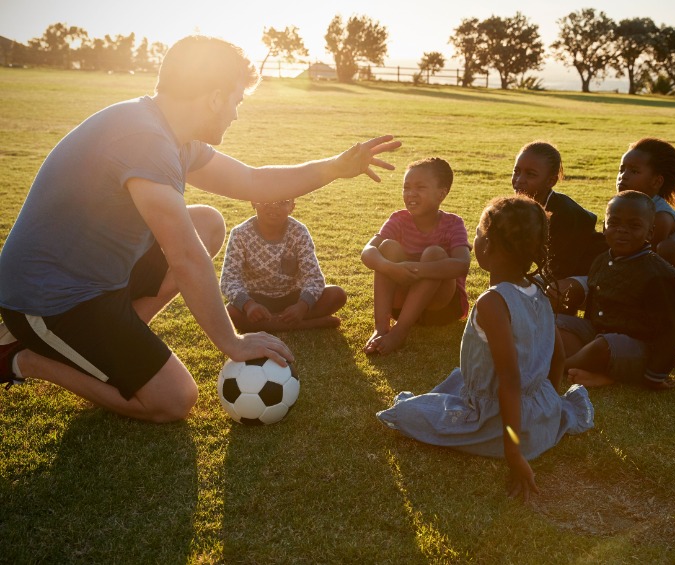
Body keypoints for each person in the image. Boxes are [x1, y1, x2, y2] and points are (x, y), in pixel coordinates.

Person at [0, 35, 400, 421]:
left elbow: (253, 181)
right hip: (48, 300)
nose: (236, 113)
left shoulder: (172, 134)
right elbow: (185, 257)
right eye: (236, 100)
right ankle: (24, 358)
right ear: (213, 97)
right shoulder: (145, 139)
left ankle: (119, 337)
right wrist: (232, 341)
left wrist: (335, 168)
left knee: (207, 222)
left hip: (96, 278)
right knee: (174, 399)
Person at [376, 195, 594, 501]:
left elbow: (509, 380)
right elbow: (556, 357)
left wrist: (514, 454)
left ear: (487, 246)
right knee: (458, 379)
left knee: (408, 413)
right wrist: (550, 404)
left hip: (503, 425)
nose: (472, 242)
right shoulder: (540, 291)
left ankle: (481, 429)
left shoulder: (493, 302)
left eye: (477, 235)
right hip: (542, 416)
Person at [557, 191, 675, 389]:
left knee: (602, 346)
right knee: (555, 323)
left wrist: (655, 376)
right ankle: (594, 370)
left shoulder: (659, 274)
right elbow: (593, 306)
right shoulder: (600, 260)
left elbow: (669, 332)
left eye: (634, 226)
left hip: (637, 349)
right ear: (604, 227)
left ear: (650, 232)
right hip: (598, 333)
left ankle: (557, 368)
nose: (622, 231)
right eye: (614, 223)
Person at [361, 157, 471, 355]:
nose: (411, 193)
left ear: (441, 194)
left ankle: (400, 332)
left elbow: (462, 264)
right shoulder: (399, 219)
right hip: (401, 308)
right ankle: (381, 327)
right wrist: (390, 267)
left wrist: (416, 270)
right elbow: (367, 252)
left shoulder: (453, 223)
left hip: (441, 309)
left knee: (434, 253)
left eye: (420, 187)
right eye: (407, 187)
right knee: (387, 247)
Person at [617, 138, 675, 345]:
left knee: (667, 247)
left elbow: (644, 256)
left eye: (634, 171)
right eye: (622, 169)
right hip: (658, 276)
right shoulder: (622, 208)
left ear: (656, 182)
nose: (623, 176)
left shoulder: (660, 215)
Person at [220, 198, 347, 333]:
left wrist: (302, 306)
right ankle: (307, 323)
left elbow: (314, 277)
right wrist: (249, 305)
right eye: (266, 200)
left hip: (294, 297)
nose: (273, 207)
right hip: (257, 299)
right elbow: (229, 279)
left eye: (283, 201)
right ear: (253, 202)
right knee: (230, 313)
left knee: (337, 294)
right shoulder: (240, 233)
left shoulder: (299, 231)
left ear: (292, 207)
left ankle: (273, 323)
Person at [511, 141, 607, 314]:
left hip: (593, 276)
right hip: (557, 272)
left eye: (530, 174)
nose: (519, 180)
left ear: (551, 181)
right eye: (516, 171)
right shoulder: (519, 208)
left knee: (553, 291)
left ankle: (556, 328)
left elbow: (560, 272)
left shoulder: (564, 214)